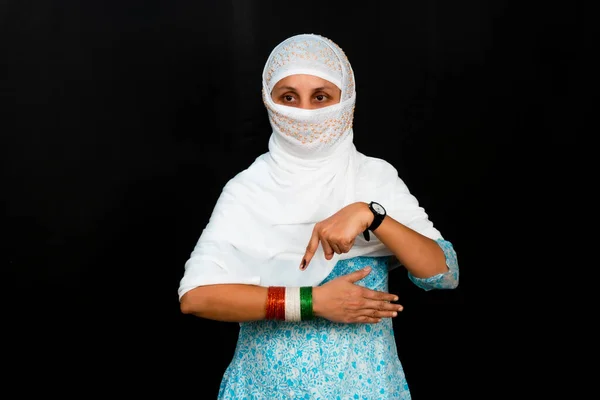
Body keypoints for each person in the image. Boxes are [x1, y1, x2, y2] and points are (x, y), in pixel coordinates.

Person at [178, 33, 459, 399]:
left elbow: (444, 274)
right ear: (269, 100)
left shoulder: (374, 178)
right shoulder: (249, 187)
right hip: (264, 389)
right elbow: (197, 297)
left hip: (368, 389)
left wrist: (371, 216)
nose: (305, 112)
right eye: (289, 97)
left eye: (322, 97)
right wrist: (312, 301)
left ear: (347, 100)